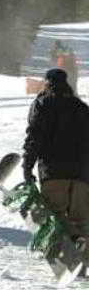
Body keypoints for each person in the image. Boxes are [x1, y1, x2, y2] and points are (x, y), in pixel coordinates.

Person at [22, 68, 89, 239]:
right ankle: (82, 249)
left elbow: (35, 137)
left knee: (55, 218)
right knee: (81, 221)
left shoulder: (43, 104)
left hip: (54, 172)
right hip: (82, 176)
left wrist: (27, 167)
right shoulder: (81, 107)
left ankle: (69, 246)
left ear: (47, 83)